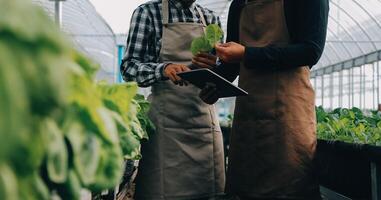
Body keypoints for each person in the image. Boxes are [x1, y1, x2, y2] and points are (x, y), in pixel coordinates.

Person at [193, 0, 329, 199]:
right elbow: (232, 66)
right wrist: (213, 81)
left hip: (288, 113)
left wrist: (247, 53)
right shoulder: (239, 4)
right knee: (245, 188)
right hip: (249, 112)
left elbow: (310, 51)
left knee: (289, 187)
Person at [120, 0, 225, 199]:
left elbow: (218, 74)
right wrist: (163, 69)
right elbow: (129, 68)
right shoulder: (148, 13)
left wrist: (214, 71)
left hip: (204, 126)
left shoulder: (210, 19)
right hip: (166, 129)